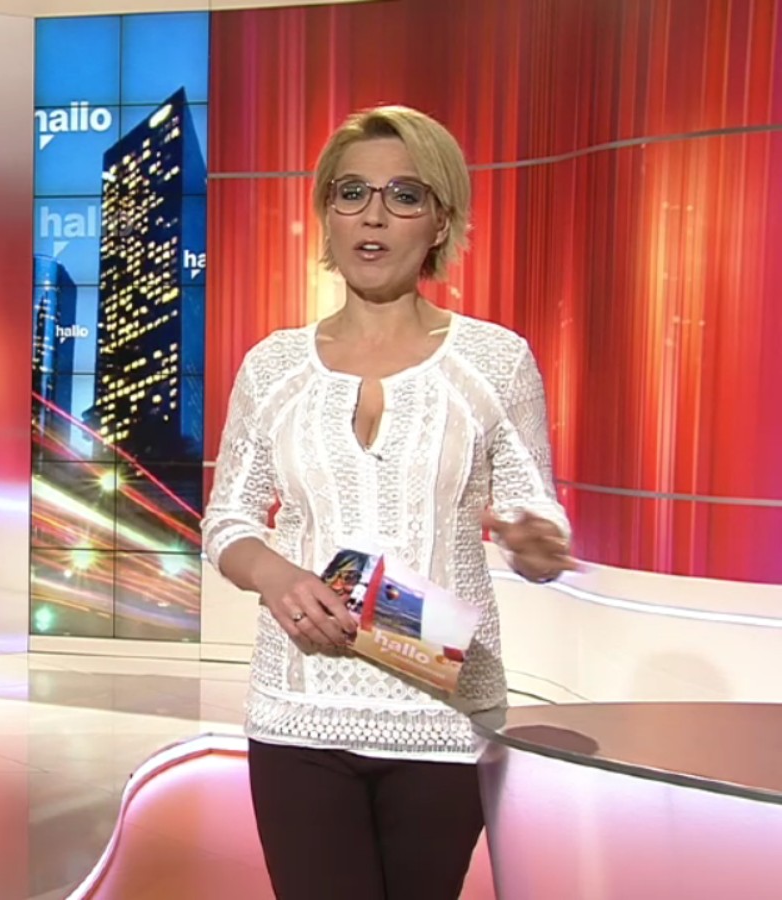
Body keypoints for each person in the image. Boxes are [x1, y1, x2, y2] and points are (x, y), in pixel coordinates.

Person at [200, 104, 576, 900]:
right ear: (327, 215)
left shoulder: (496, 360)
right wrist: (273, 573)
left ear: (441, 220)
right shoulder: (273, 367)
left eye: (404, 196)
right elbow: (228, 518)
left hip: (444, 713)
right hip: (299, 708)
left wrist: (539, 540)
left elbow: (533, 503)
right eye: (352, 193)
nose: (373, 216)